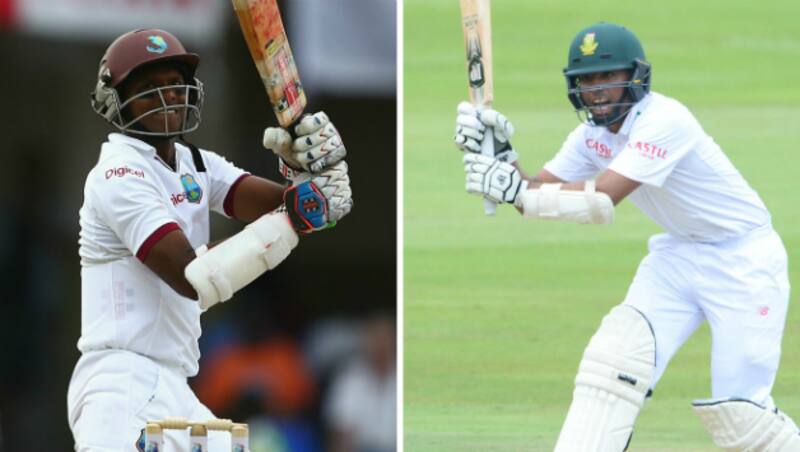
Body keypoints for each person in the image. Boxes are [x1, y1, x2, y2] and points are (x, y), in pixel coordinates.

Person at [455, 22, 798, 451]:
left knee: (742, 415)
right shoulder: (590, 137)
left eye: (607, 76)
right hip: (678, 255)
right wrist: (499, 157)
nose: (596, 89)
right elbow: (533, 194)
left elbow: (600, 201)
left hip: (744, 261)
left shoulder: (665, 120)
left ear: (634, 77)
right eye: (587, 79)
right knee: (611, 367)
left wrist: (516, 189)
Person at [67, 28, 352, 451]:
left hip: (175, 385)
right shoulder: (117, 175)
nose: (167, 99)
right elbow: (195, 276)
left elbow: (283, 206)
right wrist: (298, 216)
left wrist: (310, 182)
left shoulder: (194, 162)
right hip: (121, 383)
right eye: (148, 90)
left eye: (173, 85)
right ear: (115, 101)